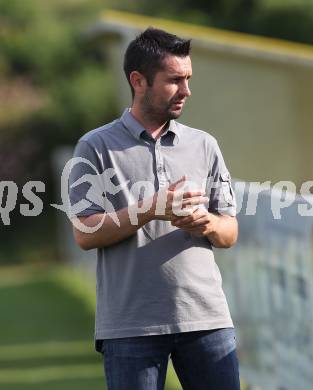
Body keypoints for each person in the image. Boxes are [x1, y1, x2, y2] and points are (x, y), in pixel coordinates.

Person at [69, 27, 240, 390]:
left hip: (207, 321)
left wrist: (205, 223)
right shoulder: (95, 147)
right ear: (139, 80)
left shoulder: (204, 145)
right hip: (131, 326)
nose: (186, 90)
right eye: (175, 80)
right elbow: (84, 233)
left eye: (188, 79)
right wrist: (148, 210)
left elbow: (230, 231)